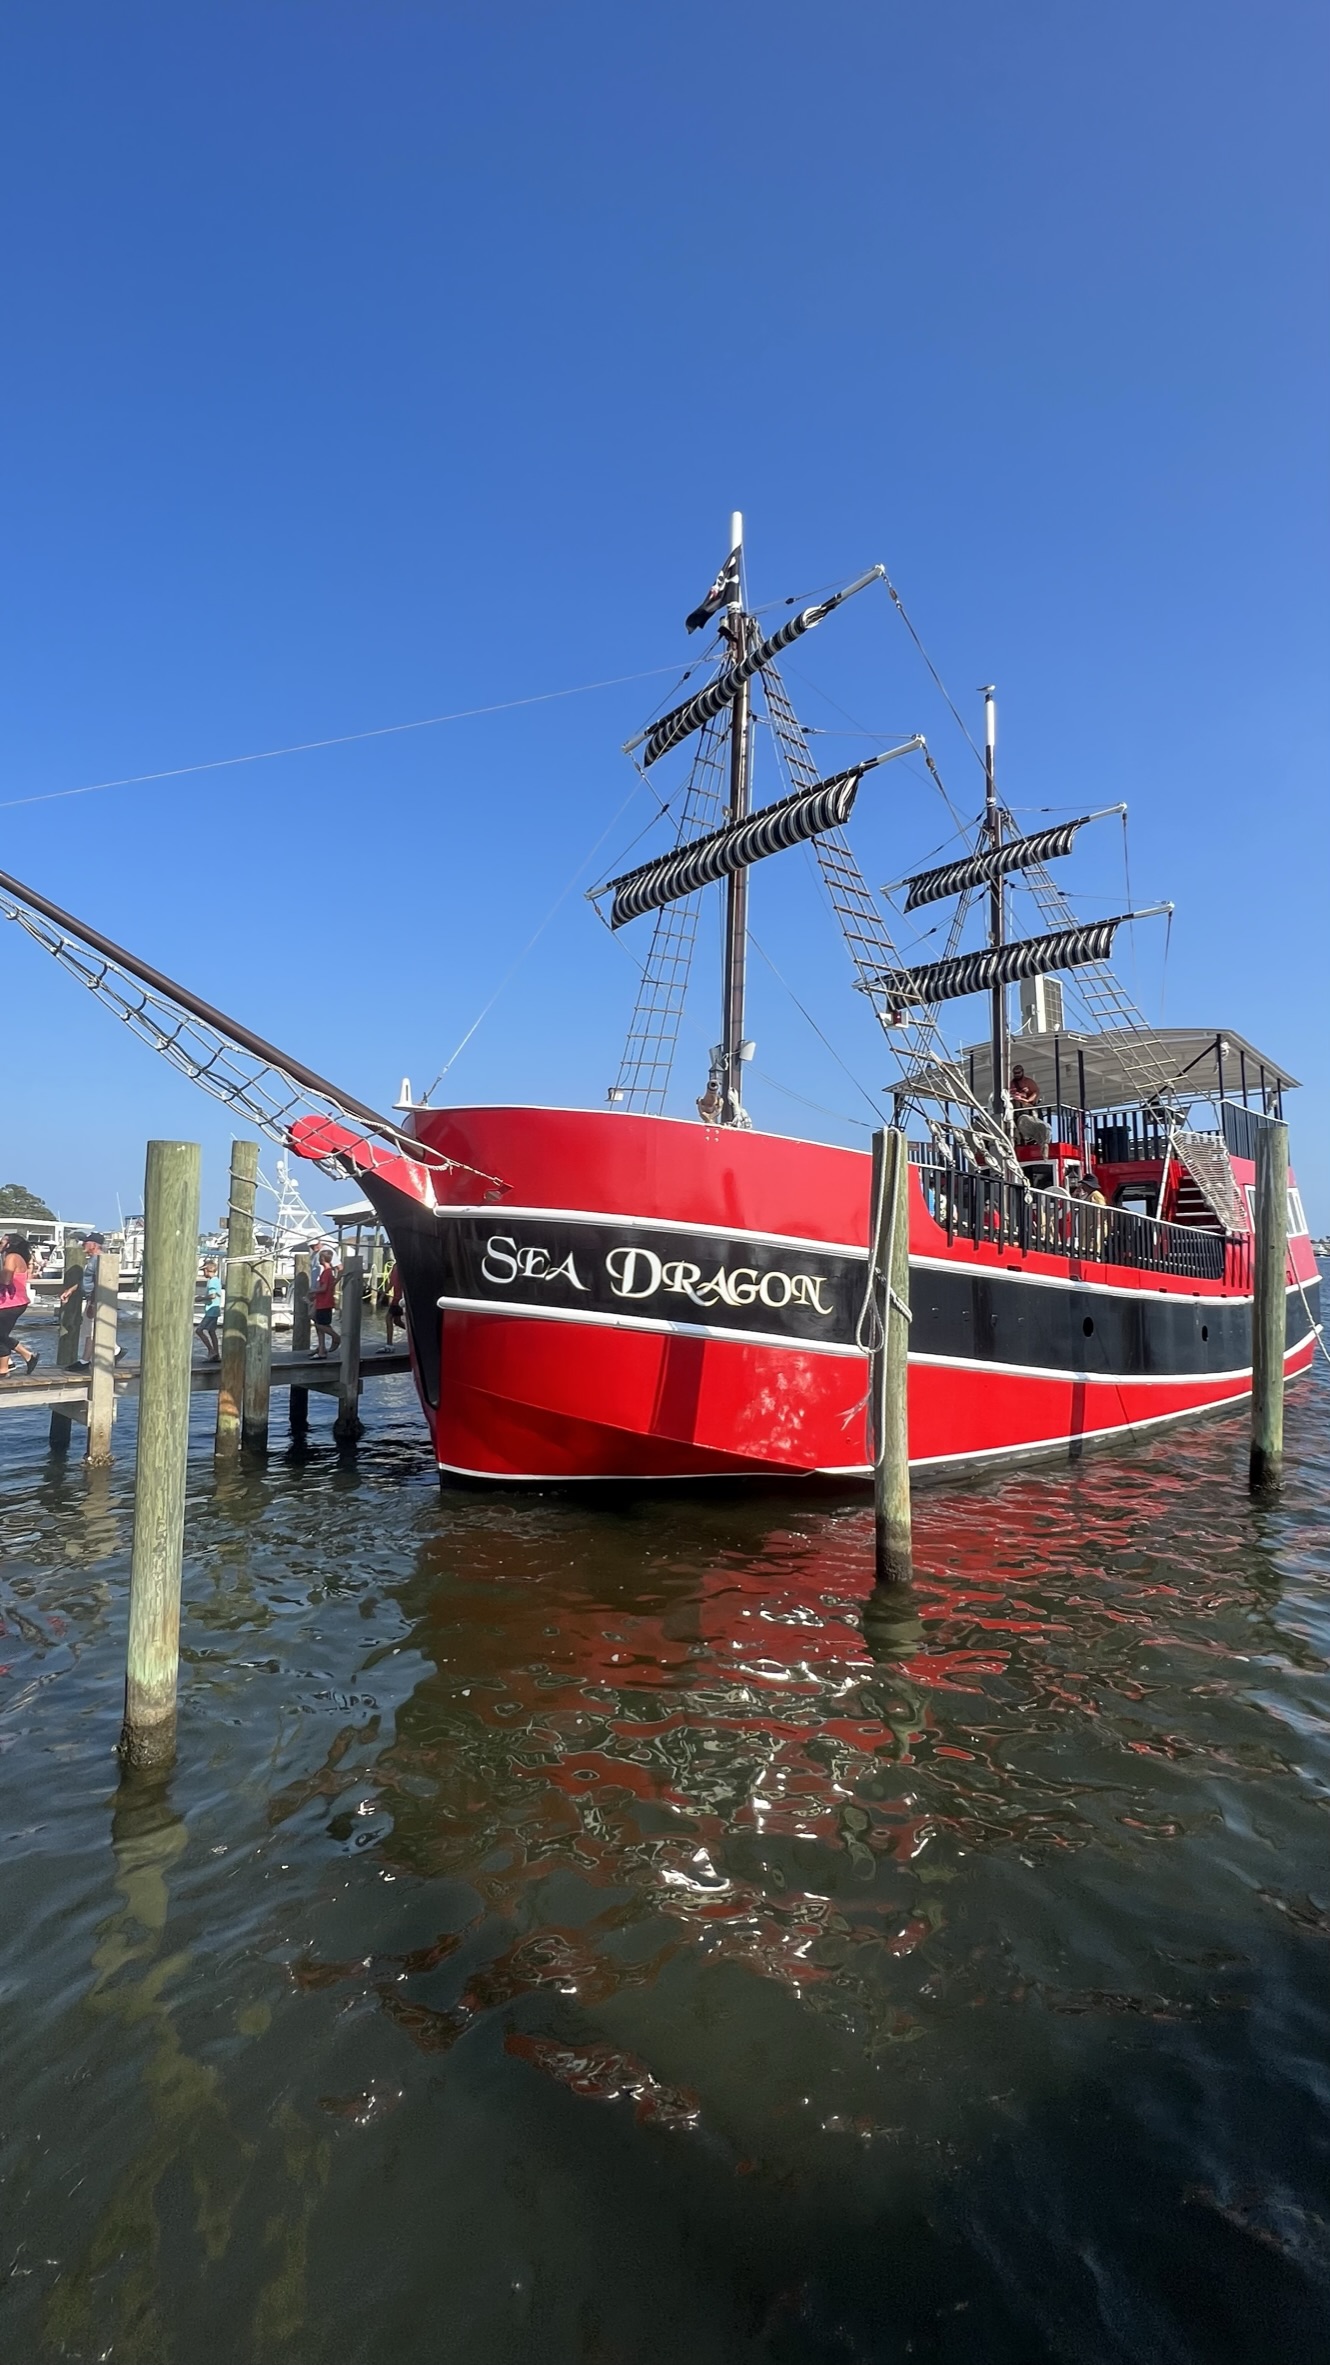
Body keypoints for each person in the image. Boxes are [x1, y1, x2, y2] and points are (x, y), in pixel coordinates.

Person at [0, 1235, 39, 1376]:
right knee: (2, 1335)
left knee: (1, 1335)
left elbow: (5, 1280)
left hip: (10, 1303)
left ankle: (9, 1366)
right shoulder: (17, 1257)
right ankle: (16, 1361)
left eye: (2, 1240)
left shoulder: (12, 1257)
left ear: (10, 1244)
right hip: (14, 1302)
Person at [1009, 1065, 1051, 1153]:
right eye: (1015, 1073)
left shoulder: (1028, 1082)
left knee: (1029, 1121)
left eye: (1018, 1073)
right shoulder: (1011, 1083)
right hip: (1013, 1108)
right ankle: (1017, 1140)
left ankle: (1034, 1139)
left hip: (1026, 1107)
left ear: (1022, 1072)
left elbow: (1036, 1092)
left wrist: (1027, 1100)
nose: (1016, 1075)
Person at [311, 1248, 340, 1356]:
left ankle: (336, 1337)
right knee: (319, 1322)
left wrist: (313, 1291)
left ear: (323, 1259)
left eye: (320, 1257)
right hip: (321, 1302)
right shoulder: (329, 1272)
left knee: (320, 1325)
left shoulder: (327, 1273)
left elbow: (323, 1288)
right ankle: (321, 1350)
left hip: (324, 1303)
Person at [195, 1259, 224, 1361]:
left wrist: (200, 1298)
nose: (203, 1273)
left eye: (204, 1271)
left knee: (199, 1330)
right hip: (215, 1310)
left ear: (208, 1270)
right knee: (212, 1331)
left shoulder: (212, 1282)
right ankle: (216, 1354)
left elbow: (212, 1295)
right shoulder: (216, 1280)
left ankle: (211, 1351)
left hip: (211, 1311)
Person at [384, 1260, 404, 1350]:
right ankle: (415, 1334)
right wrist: (384, 1293)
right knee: (397, 1321)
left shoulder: (402, 1266)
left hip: (400, 1298)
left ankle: (389, 1344)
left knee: (388, 1318)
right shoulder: (395, 1266)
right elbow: (391, 1282)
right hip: (396, 1297)